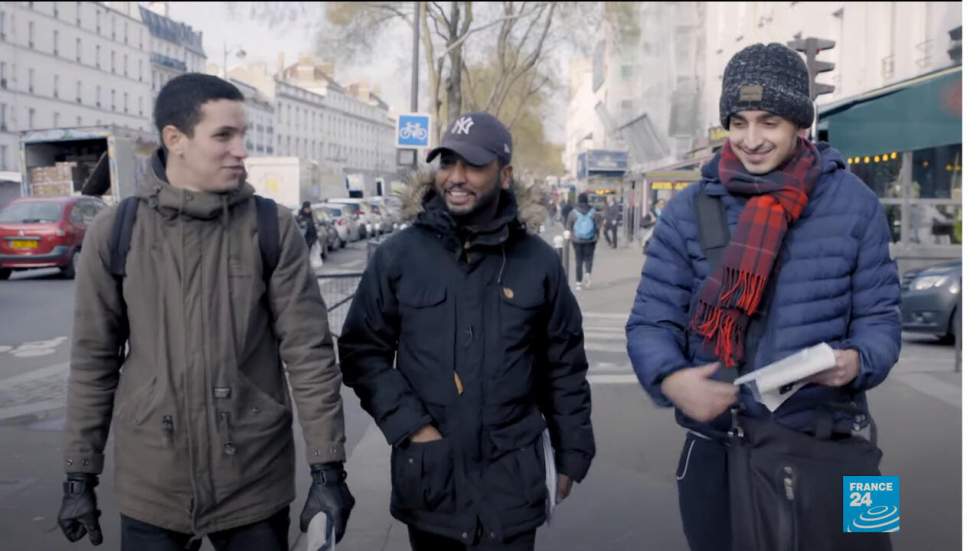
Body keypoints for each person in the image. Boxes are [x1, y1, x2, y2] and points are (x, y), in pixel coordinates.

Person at [58, 73, 355, 551]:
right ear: (175, 139)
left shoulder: (271, 227)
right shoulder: (117, 232)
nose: (241, 150)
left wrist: (328, 469)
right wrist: (78, 476)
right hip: (152, 482)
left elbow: (310, 356)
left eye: (243, 136)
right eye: (223, 136)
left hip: (252, 480)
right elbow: (93, 362)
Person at [626, 43, 900, 551]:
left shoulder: (858, 204)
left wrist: (855, 361)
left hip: (847, 441)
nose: (751, 140)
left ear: (799, 124)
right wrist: (670, 377)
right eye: (739, 121)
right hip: (720, 450)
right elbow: (649, 323)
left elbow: (883, 320)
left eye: (768, 122)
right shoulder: (687, 211)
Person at [338, 112, 595, 551]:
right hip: (432, 478)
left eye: (473, 165)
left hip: (514, 479)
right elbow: (363, 352)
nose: (456, 177)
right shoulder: (398, 256)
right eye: (447, 163)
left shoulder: (538, 262)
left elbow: (564, 365)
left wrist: (573, 453)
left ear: (505, 174)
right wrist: (413, 428)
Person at [565, 192, 602, 291]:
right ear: (587, 200)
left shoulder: (573, 212)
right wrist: (597, 236)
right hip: (591, 240)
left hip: (577, 240)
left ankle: (578, 283)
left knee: (578, 261)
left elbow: (568, 226)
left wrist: (569, 236)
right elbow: (598, 225)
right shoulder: (593, 211)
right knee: (589, 259)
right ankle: (588, 274)